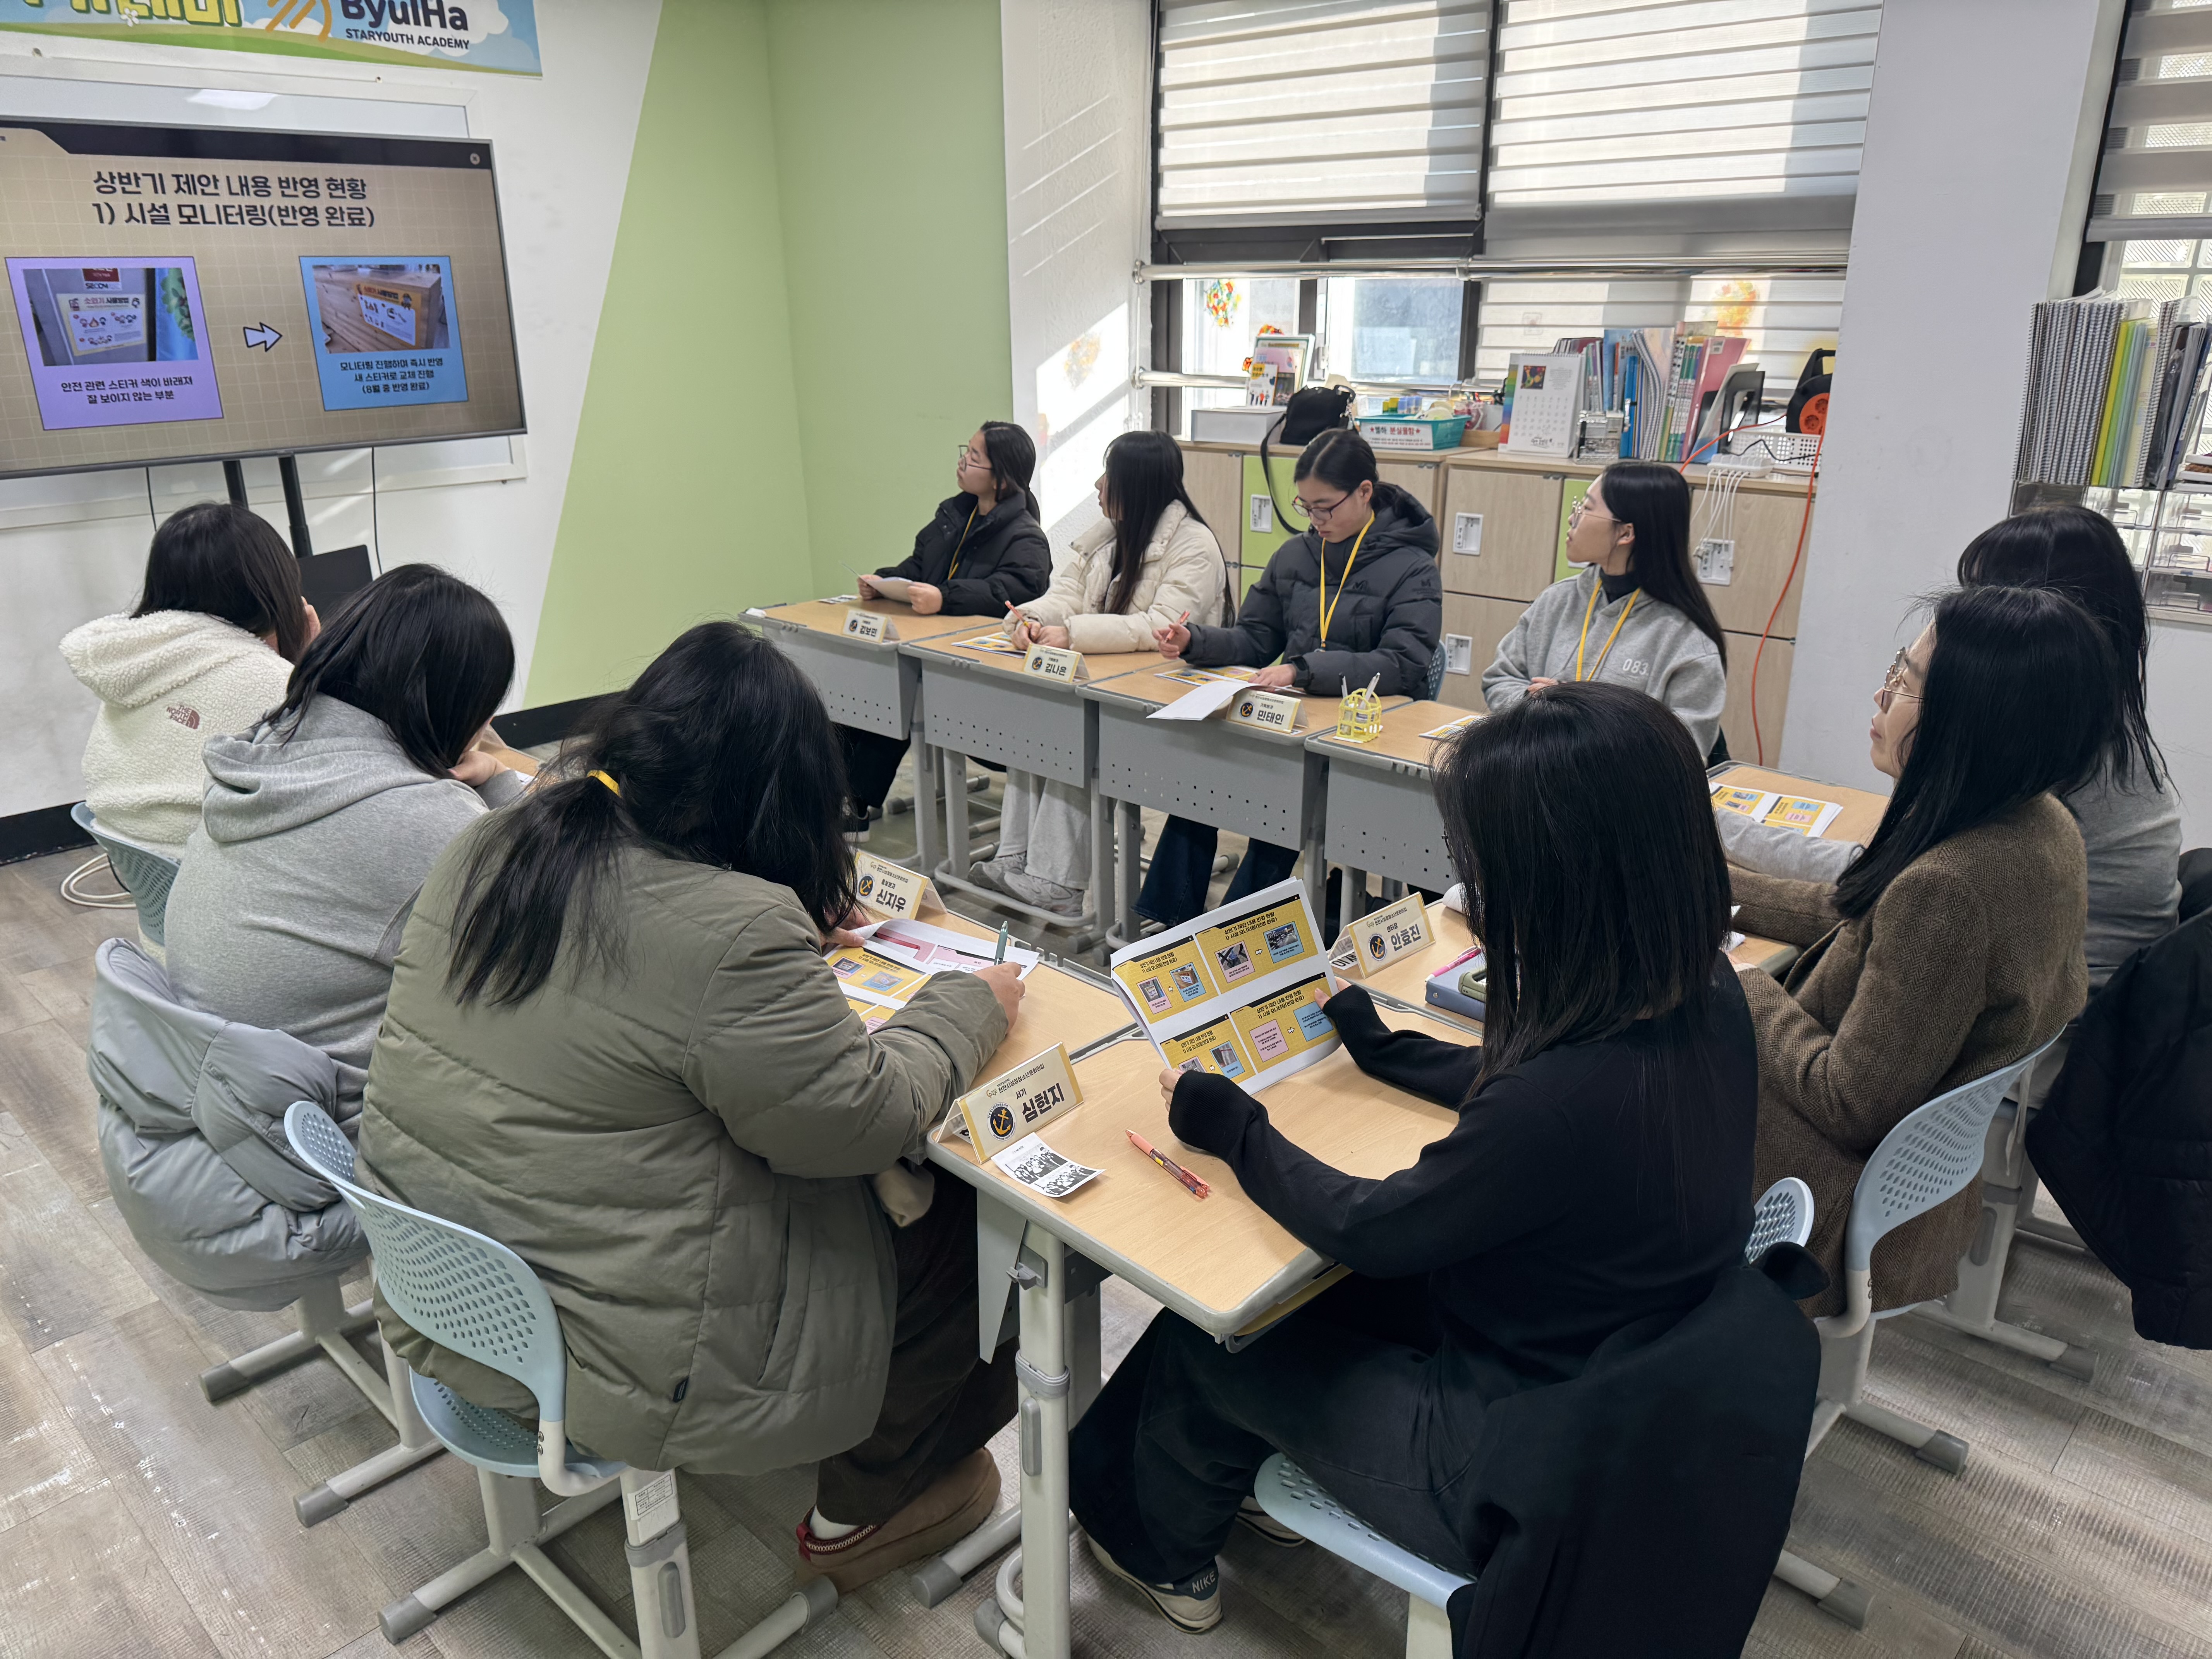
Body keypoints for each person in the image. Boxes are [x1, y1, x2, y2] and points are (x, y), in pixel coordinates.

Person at [1070, 683, 1768, 1635]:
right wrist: (1383, 1044)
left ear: (1562, 879)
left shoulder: (1558, 1108)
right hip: (1606, 1383)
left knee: (1215, 1337)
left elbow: (1375, 1228)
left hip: (1505, 1459)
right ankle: (1239, 1473)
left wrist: (1235, 1127)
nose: (1476, 901)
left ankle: (1155, 1547)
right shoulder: (1704, 989)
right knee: (1310, 1302)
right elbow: (1520, 1082)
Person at [356, 622, 1025, 1592]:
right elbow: (866, 1118)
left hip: (450, 1293)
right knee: (965, 1221)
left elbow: (633, 984)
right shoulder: (730, 932)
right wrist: (968, 1006)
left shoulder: (494, 842)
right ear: (773, 795)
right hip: (608, 1355)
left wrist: (779, 927)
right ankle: (865, 1509)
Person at [1731, 584, 2115, 1313]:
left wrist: (1741, 977)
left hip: (1816, 1198)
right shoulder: (2038, 822)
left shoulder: (1949, 892)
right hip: (1905, 1185)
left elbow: (1847, 1100)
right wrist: (1711, 886)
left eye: (1905, 683)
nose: (1881, 696)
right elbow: (1857, 913)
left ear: (1970, 721)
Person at [1719, 505, 2180, 992]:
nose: (1963, 613)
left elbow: (1881, 884)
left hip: (2070, 1009)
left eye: (1984, 596)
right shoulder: (2090, 735)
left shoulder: (2040, 775)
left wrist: (1710, 834)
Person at [162, 564, 533, 1079]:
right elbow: (543, 913)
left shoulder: (261, 750)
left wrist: (487, 773)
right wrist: (501, 781)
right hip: (324, 1106)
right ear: (461, 707)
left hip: (206, 1071)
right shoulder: (427, 817)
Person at [1136, 428, 1442, 927]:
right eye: (1307, 508)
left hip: (1363, 733)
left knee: (1279, 806)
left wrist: (1302, 670)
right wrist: (1196, 641)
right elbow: (1257, 637)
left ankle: (1232, 939)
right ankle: (1171, 925)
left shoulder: (1412, 567)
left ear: (1364, 492)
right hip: (1296, 719)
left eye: (1326, 507)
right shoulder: (1296, 555)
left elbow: (1402, 664)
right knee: (1201, 783)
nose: (1316, 520)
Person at [972, 430, 1228, 917]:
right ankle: (1017, 857)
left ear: (1139, 485)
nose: (1098, 485)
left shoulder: (1195, 546)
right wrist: (1031, 619)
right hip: (1107, 687)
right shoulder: (1109, 533)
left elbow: (1160, 627)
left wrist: (1072, 633)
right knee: (1037, 728)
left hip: (1168, 705)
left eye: (1110, 475)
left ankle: (1057, 883)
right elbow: (1067, 594)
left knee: (1076, 741)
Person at [62, 500, 319, 856]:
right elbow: (341, 776)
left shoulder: (136, 659)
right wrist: (311, 666)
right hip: (219, 867)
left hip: (138, 862)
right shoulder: (269, 680)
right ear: (273, 585)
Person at [842, 422, 1053, 828]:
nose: (962, 462)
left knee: (897, 690)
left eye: (974, 457)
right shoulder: (954, 515)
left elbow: (1011, 593)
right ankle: (835, 791)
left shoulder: (1026, 538)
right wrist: (883, 582)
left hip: (983, 675)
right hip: (931, 651)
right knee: (866, 681)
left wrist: (945, 597)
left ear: (1002, 478)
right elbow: (919, 566)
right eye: (966, 451)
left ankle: (854, 802)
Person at [1482, 460, 1730, 762]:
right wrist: (1530, 702)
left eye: (1586, 509)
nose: (1572, 518)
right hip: (1541, 773)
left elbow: (1684, 751)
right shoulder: (1558, 600)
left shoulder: (1686, 639)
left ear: (1626, 533)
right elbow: (1500, 678)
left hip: (1620, 789)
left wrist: (1582, 719)